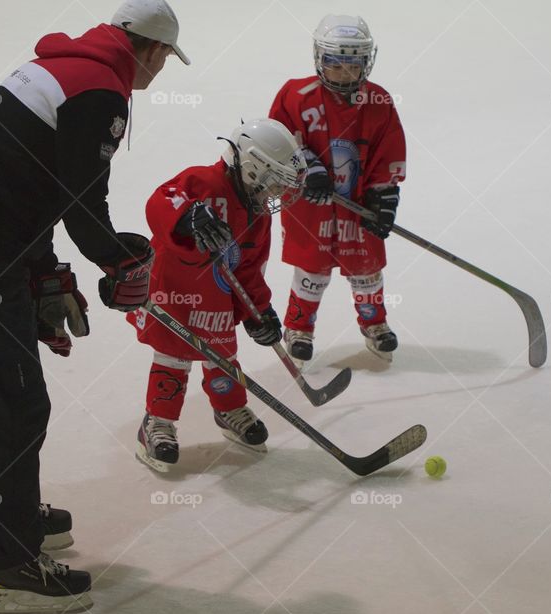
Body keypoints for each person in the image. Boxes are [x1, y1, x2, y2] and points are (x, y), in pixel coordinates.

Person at [0, 0, 188, 614]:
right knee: (14, 398)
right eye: (165, 59)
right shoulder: (102, 91)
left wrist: (44, 271)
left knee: (0, 388)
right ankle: (11, 565)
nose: (161, 70)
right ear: (150, 50)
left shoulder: (75, 65)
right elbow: (83, 199)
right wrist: (119, 263)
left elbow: (30, 179)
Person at [128, 118, 306, 471]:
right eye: (272, 182)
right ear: (253, 167)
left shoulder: (258, 215)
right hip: (172, 291)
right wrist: (187, 216)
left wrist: (260, 313)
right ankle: (157, 423)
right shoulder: (202, 181)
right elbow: (158, 203)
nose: (274, 193)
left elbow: (249, 270)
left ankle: (229, 410)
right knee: (173, 357)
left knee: (222, 356)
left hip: (215, 298)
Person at [269, 14, 407, 366]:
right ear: (320, 59)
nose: (345, 74)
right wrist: (306, 166)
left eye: (353, 65)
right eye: (336, 64)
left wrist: (384, 196)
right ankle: (299, 328)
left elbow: (387, 152)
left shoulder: (379, 102)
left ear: (366, 62)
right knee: (311, 270)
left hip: (357, 203)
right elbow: (277, 142)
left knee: (366, 268)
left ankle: (375, 323)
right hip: (309, 205)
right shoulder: (294, 95)